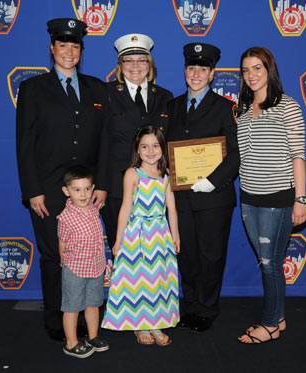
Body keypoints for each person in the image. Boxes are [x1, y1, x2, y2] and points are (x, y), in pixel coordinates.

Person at [15, 18, 108, 342]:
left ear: (81, 51)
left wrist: (104, 186)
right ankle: (56, 319)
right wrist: (33, 191)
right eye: (63, 44)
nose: (69, 51)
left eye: (75, 46)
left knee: (89, 254)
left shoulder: (99, 89)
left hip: (88, 192)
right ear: (52, 47)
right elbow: (24, 144)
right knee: (56, 256)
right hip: (49, 190)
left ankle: (86, 315)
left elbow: (106, 142)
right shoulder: (32, 89)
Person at [235, 46, 306, 344]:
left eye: (257, 68)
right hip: (249, 197)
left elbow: (298, 156)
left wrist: (300, 199)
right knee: (269, 261)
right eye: (246, 70)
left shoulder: (287, 106)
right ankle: (278, 318)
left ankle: (268, 325)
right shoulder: (240, 109)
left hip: (278, 199)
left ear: (269, 71)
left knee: (270, 263)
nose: (251, 75)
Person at [165, 43, 239, 333]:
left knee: (211, 254)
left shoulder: (226, 108)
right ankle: (191, 304)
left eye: (203, 69)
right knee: (187, 254)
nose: (196, 74)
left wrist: (212, 181)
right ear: (185, 71)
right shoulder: (171, 107)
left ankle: (207, 308)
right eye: (191, 68)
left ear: (212, 74)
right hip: (181, 197)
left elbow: (236, 154)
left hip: (214, 197)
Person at [101, 126, 180, 346]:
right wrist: (118, 240)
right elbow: (125, 207)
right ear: (137, 149)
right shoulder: (132, 173)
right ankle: (140, 325)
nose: (151, 151)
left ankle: (156, 322)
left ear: (163, 149)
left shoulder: (166, 174)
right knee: (139, 280)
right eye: (145, 146)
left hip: (160, 234)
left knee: (158, 280)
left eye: (155, 146)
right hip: (136, 235)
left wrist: (176, 235)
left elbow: (171, 208)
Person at [101, 33, 173, 251]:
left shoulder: (165, 96)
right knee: (121, 250)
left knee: (155, 251)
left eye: (141, 59)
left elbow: (170, 141)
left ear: (149, 64)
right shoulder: (105, 94)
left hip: (155, 189)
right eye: (128, 60)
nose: (135, 65)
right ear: (119, 65)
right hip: (116, 187)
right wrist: (100, 185)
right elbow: (99, 143)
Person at [57, 165, 109, 358]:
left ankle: (92, 336)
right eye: (77, 190)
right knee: (71, 307)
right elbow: (62, 242)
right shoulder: (66, 217)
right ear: (66, 191)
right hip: (75, 269)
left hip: (95, 267)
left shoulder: (94, 210)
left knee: (93, 304)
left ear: (93, 188)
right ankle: (71, 343)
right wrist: (64, 260)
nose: (83, 194)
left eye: (87, 188)